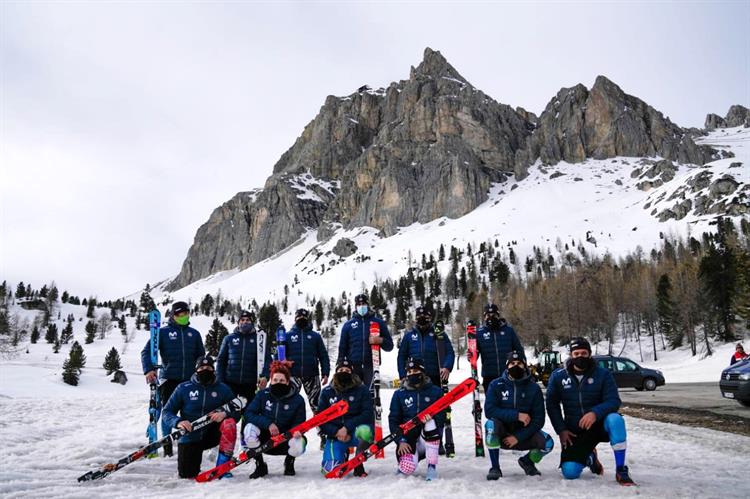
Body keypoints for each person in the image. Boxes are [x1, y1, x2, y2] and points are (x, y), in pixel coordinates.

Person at [546, 337, 635, 486]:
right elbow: (551, 405)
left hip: (599, 424)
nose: (580, 356)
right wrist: (561, 430)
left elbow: (614, 400)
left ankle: (621, 469)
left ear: (589, 354)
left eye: (584, 353)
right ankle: (590, 457)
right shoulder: (558, 376)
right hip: (575, 429)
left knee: (616, 420)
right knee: (570, 473)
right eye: (576, 354)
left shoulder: (603, 374)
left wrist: (595, 413)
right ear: (571, 355)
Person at [141, 301, 205, 457]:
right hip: (169, 379)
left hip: (190, 380)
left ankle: (190, 442)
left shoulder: (194, 334)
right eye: (179, 314)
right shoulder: (162, 333)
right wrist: (149, 370)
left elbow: (201, 356)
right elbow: (146, 352)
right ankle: (167, 445)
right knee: (168, 412)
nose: (183, 316)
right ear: (173, 315)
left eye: (185, 313)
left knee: (189, 412)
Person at [161, 356, 238, 479]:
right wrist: (178, 422)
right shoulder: (183, 388)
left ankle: (223, 467)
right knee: (187, 474)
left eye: (208, 367)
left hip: (212, 434)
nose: (205, 370)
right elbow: (166, 412)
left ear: (213, 370)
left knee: (229, 423)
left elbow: (237, 411)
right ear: (196, 370)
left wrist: (225, 414)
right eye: (201, 368)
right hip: (190, 435)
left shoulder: (223, 389)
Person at [484, 351, 554, 480]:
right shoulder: (496, 385)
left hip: (524, 435)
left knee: (549, 443)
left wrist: (518, 437)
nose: (515, 366)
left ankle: (527, 461)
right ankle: (495, 467)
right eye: (512, 363)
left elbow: (539, 420)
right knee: (490, 425)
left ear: (525, 366)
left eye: (519, 363)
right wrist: (517, 415)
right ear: (507, 366)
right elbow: (490, 411)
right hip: (502, 434)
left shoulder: (534, 388)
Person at [243, 360, 307, 478]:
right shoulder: (262, 395)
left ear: (288, 382)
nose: (278, 382)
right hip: (265, 439)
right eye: (275, 380)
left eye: (282, 380)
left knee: (300, 444)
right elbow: (249, 414)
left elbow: (300, 421)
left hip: (285, 439)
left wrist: (297, 431)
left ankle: (289, 462)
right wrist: (268, 424)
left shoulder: (298, 399)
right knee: (249, 430)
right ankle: (260, 465)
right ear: (271, 381)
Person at [388, 358, 445, 481]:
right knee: (407, 468)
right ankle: (406, 462)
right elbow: (393, 420)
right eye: (409, 372)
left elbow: (442, 417)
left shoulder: (435, 391)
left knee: (431, 422)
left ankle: (431, 466)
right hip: (408, 438)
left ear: (422, 372)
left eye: (415, 371)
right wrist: (400, 441)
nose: (412, 374)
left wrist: (433, 418)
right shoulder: (399, 394)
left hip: (428, 438)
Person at [318, 358, 374, 477]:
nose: (344, 372)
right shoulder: (327, 392)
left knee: (366, 431)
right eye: (341, 370)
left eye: (347, 370)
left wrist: (347, 428)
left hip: (356, 432)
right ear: (336, 372)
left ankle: (358, 461)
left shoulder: (362, 389)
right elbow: (320, 420)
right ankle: (342, 455)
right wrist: (336, 432)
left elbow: (367, 414)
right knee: (331, 471)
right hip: (336, 435)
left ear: (352, 373)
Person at [337, 294, 393, 390]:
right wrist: (340, 364)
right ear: (355, 306)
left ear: (368, 305)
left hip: (371, 365)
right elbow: (342, 347)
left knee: (371, 394)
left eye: (363, 304)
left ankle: (373, 405)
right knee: (353, 394)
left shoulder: (378, 322)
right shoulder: (348, 325)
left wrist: (380, 340)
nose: (361, 306)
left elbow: (390, 346)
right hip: (353, 365)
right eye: (358, 304)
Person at [216, 310, 271, 404]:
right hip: (230, 383)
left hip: (250, 384)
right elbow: (221, 361)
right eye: (242, 320)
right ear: (238, 322)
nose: (245, 322)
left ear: (252, 322)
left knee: (248, 413)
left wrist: (265, 376)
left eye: (248, 320)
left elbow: (268, 360)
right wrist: (220, 381)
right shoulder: (229, 338)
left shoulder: (259, 339)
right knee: (230, 412)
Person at [286, 308, 331, 414]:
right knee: (288, 403)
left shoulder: (315, 336)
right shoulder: (288, 336)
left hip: (312, 375)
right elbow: (279, 355)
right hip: (293, 374)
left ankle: (321, 429)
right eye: (299, 317)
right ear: (295, 319)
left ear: (308, 319)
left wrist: (325, 372)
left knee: (318, 405)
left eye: (304, 317)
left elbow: (323, 356)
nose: (301, 319)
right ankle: (288, 428)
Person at [397, 306, 455, 387]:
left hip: (435, 376)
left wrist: (447, 367)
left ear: (430, 318)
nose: (422, 319)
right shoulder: (409, 336)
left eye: (425, 316)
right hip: (413, 377)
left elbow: (450, 352)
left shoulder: (439, 334)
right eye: (419, 317)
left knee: (437, 398)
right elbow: (401, 356)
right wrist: (402, 374)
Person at [476, 304, 524, 393]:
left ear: (498, 315)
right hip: (489, 376)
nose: (491, 317)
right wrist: (471, 355)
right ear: (484, 317)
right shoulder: (479, 333)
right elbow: (475, 354)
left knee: (510, 402)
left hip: (508, 374)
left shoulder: (509, 331)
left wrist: (522, 367)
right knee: (491, 403)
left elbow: (519, 350)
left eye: (493, 315)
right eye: (488, 315)